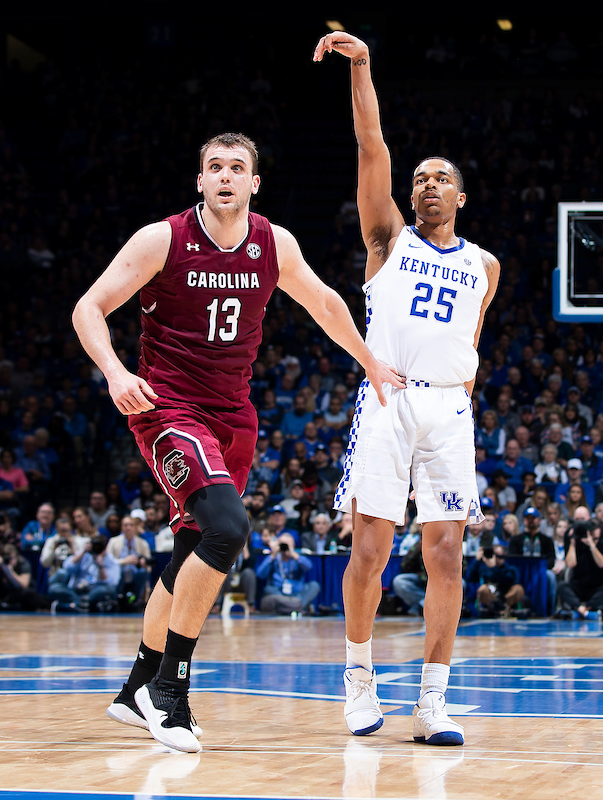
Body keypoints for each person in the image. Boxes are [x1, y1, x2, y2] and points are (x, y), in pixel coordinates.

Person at [73, 131, 399, 754]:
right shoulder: (162, 239)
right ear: (200, 181)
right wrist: (117, 373)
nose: (225, 176)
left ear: (254, 183)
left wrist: (369, 361)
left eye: (237, 168)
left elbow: (325, 302)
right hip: (168, 408)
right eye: (214, 167)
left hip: (233, 416)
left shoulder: (274, 244)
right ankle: (171, 692)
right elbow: (88, 308)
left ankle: (137, 684)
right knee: (227, 528)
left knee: (193, 549)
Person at [315, 31, 501, 746]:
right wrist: (362, 66)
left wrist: (460, 395)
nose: (426, 184)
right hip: (389, 398)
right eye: (420, 177)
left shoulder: (485, 265)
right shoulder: (388, 238)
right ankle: (359, 682)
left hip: (450, 406)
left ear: (460, 194)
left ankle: (432, 702)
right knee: (370, 551)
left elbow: (471, 346)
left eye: (439, 178)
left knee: (447, 553)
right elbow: (371, 147)